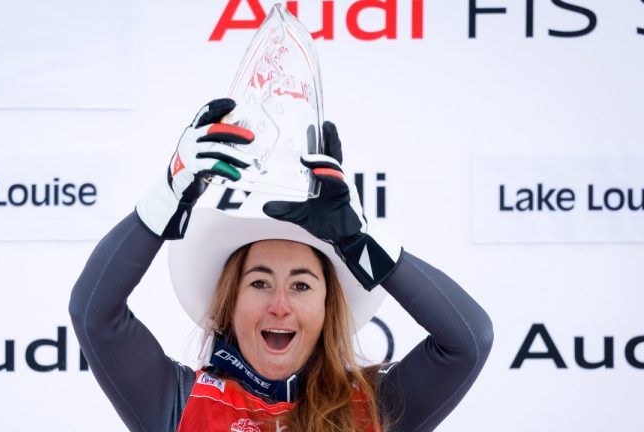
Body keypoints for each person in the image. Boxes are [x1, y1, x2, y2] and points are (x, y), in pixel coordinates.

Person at [70, 99, 494, 432]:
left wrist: (361, 242)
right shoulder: (179, 402)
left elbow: (470, 341)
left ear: (328, 308)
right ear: (229, 304)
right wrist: (166, 195)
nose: (279, 305)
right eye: (259, 283)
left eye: (301, 285)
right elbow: (93, 314)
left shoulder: (374, 406)